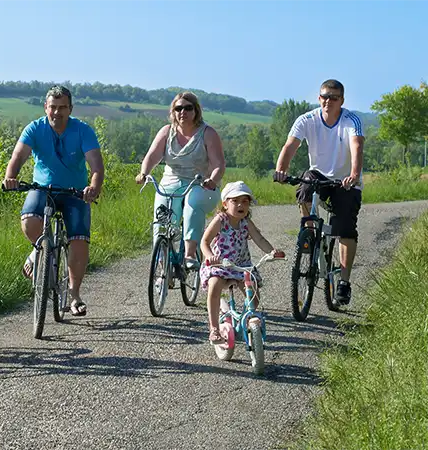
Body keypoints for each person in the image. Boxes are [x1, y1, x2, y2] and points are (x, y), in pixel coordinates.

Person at [2, 85, 104, 316]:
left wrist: (93, 187)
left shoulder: (82, 131)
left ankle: (74, 294)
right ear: (45, 107)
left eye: (62, 108)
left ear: (70, 109)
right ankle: (39, 251)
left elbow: (96, 166)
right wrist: (11, 177)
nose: (57, 112)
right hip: (42, 188)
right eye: (53, 107)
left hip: (75, 191)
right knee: (29, 220)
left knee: (79, 240)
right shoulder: (35, 128)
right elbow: (18, 156)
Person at [274, 79, 364, 305]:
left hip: (344, 181)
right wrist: (281, 170)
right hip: (319, 174)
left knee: (344, 227)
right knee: (304, 186)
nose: (328, 101)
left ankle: (343, 281)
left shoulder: (350, 120)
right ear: (319, 98)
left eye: (334, 97)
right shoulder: (307, 119)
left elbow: (357, 146)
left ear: (341, 101)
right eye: (325, 96)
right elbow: (290, 146)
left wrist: (353, 175)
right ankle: (310, 233)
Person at [135, 91, 225, 269]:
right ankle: (162, 267)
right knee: (162, 218)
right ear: (173, 111)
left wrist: (212, 180)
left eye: (188, 108)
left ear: (196, 110)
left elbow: (219, 164)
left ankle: (190, 253)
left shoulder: (207, 133)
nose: (182, 112)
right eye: (178, 108)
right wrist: (143, 173)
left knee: (193, 204)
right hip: (171, 182)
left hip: (200, 183)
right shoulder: (167, 131)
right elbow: (152, 156)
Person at [199, 181, 282, 344]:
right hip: (221, 265)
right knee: (214, 286)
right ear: (225, 203)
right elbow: (204, 241)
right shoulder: (220, 220)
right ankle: (214, 328)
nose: (240, 205)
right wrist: (210, 256)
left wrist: (272, 252)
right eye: (235, 201)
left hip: (241, 267)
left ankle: (245, 318)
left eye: (245, 201)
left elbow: (259, 238)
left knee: (254, 296)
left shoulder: (246, 222)